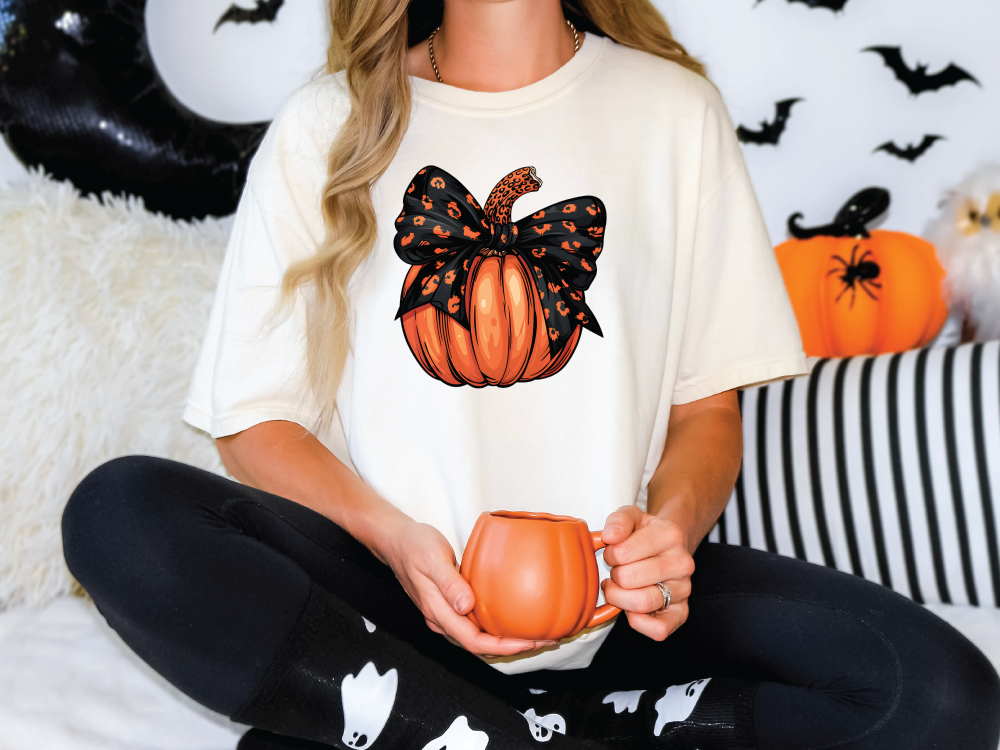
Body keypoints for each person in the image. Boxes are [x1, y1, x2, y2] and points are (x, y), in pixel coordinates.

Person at [62, 1, 1000, 748]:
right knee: (118, 514)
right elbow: (252, 424)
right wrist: (393, 541)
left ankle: (442, 731)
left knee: (945, 697)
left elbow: (707, 414)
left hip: (623, 616)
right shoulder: (328, 124)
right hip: (396, 604)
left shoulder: (674, 112)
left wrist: (667, 536)